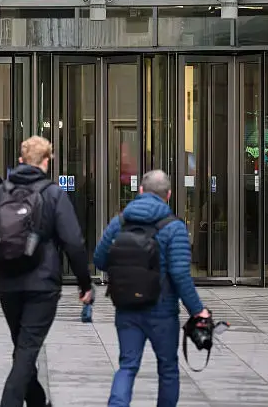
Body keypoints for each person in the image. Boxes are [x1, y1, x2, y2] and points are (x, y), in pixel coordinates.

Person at [0, 136, 93, 407]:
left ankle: (37, 400)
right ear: (47, 162)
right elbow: (73, 241)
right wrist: (84, 284)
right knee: (26, 349)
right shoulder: (53, 193)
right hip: (42, 284)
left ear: (20, 161)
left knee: (23, 347)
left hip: (8, 283)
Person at [93, 169, 209, 407]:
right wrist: (198, 311)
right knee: (167, 368)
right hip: (163, 311)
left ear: (141, 191)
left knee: (127, 366)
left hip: (126, 308)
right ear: (168, 195)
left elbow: (99, 260)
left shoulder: (120, 222)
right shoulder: (174, 227)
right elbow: (180, 275)